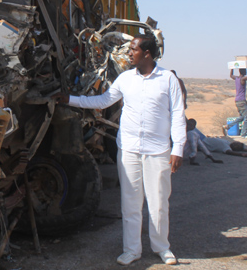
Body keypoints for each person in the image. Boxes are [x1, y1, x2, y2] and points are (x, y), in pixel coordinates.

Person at [54, 34, 185, 266]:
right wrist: (70, 100)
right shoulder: (125, 78)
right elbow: (103, 101)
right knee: (130, 203)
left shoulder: (168, 79)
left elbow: (177, 114)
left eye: (133, 49)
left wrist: (179, 148)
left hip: (157, 151)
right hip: (129, 150)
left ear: (147, 53)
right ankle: (131, 250)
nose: (129, 53)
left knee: (158, 203)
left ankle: (162, 248)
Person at [225, 61, 247, 138]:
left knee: (242, 117)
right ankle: (243, 134)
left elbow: (231, 75)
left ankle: (228, 126)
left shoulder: (236, 78)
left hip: (237, 101)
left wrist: (232, 67)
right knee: (246, 118)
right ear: (244, 72)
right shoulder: (243, 79)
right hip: (242, 101)